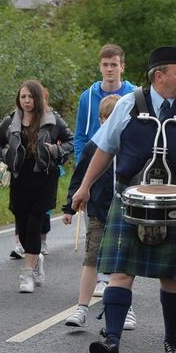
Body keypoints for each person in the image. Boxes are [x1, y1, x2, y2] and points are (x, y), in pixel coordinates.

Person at [71, 45, 176, 353]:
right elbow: (103, 149)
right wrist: (84, 187)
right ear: (159, 75)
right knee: (120, 274)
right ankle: (112, 342)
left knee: (172, 279)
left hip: (173, 206)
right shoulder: (128, 105)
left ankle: (172, 340)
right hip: (130, 199)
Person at [0, 80, 74, 292]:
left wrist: (55, 152)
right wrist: (7, 156)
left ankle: (26, 274)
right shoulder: (10, 121)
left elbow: (71, 142)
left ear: (38, 98)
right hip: (20, 176)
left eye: (30, 97)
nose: (26, 101)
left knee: (35, 223)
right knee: (23, 223)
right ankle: (35, 260)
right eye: (23, 97)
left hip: (44, 176)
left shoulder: (52, 119)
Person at [63, 94, 125, 327]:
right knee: (91, 259)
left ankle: (126, 309)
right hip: (98, 211)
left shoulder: (130, 145)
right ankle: (81, 308)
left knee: (123, 263)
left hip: (123, 212)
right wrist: (70, 206)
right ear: (100, 121)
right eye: (106, 119)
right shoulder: (93, 146)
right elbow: (79, 178)